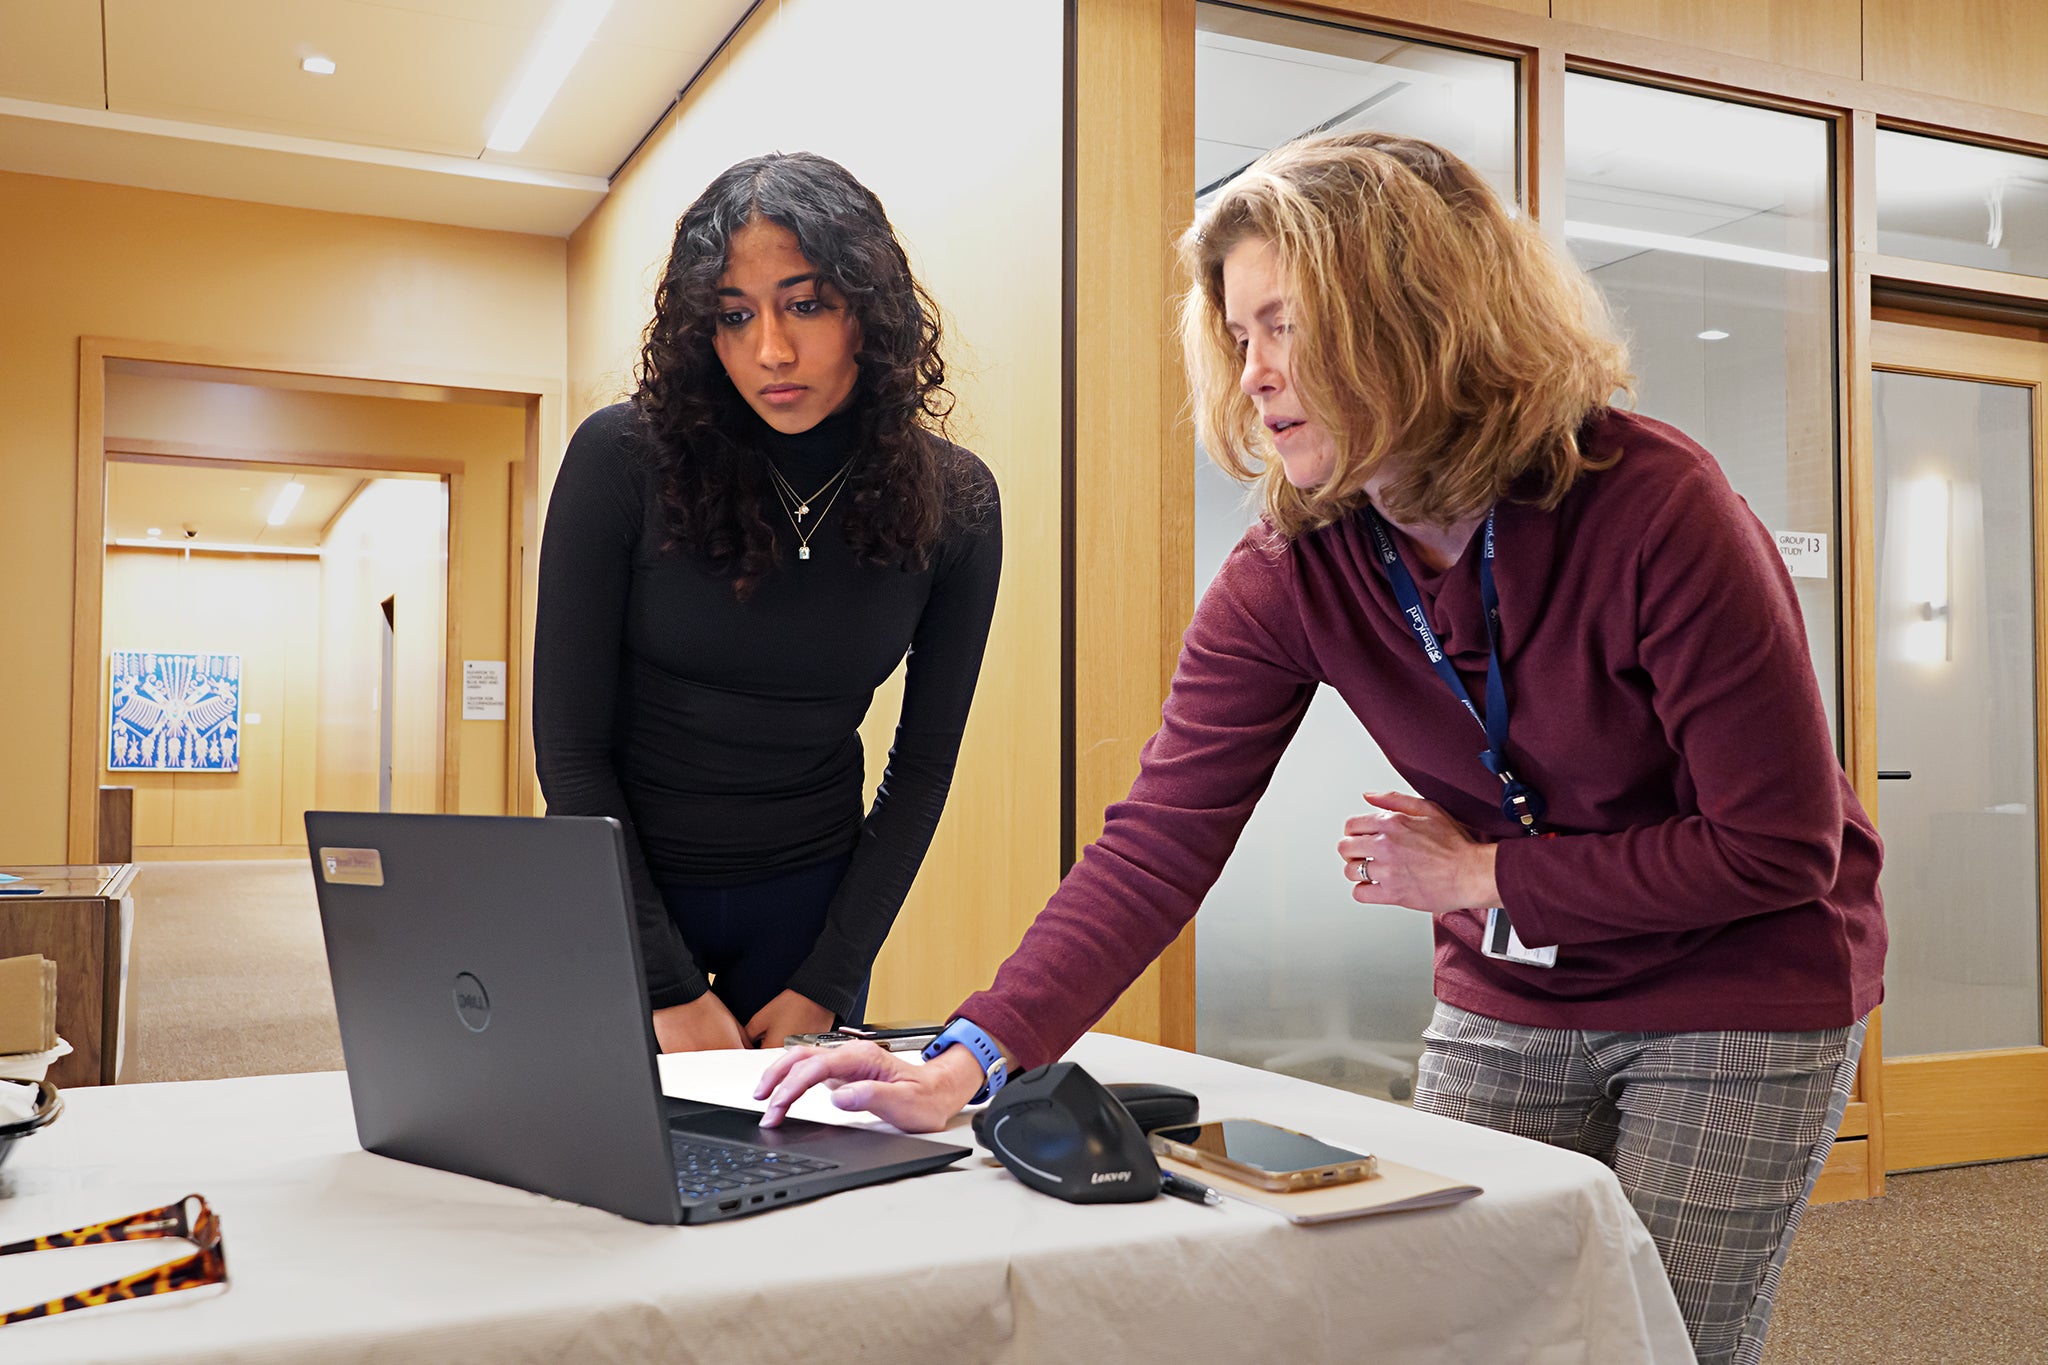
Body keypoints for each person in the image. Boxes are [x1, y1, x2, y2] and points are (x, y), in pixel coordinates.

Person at [754, 131, 1884, 1365]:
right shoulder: (1292, 568)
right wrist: (969, 1054)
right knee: (1455, 1322)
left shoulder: (1657, 508)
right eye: (1238, 338)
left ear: (1412, 317)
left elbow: (1779, 849)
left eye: (1283, 327)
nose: (1253, 375)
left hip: (1735, 981)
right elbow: (1156, 842)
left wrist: (1489, 878)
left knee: (1656, 1339)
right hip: (1517, 984)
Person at [535, 151, 1001, 1056]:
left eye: (806, 304)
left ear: (871, 309)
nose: (770, 351)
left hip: (810, 907)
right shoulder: (623, 457)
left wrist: (826, 978)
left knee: (799, 1174)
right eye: (734, 316)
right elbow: (570, 753)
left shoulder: (956, 500)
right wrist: (666, 986)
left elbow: (922, 769)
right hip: (624, 888)